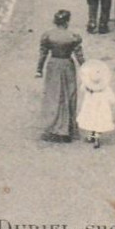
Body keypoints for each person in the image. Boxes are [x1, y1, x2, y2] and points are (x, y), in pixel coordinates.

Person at [36, 9, 84, 143]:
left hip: (53, 66)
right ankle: (67, 129)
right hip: (67, 65)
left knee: (53, 96)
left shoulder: (48, 36)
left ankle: (53, 128)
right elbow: (79, 55)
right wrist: (86, 68)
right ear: (67, 22)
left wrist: (39, 70)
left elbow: (43, 54)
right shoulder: (73, 36)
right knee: (69, 95)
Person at [77, 61, 115, 148]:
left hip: (90, 109)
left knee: (91, 122)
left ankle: (91, 136)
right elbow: (112, 99)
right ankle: (96, 139)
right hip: (101, 110)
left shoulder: (88, 88)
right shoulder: (105, 88)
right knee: (99, 123)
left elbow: (81, 89)